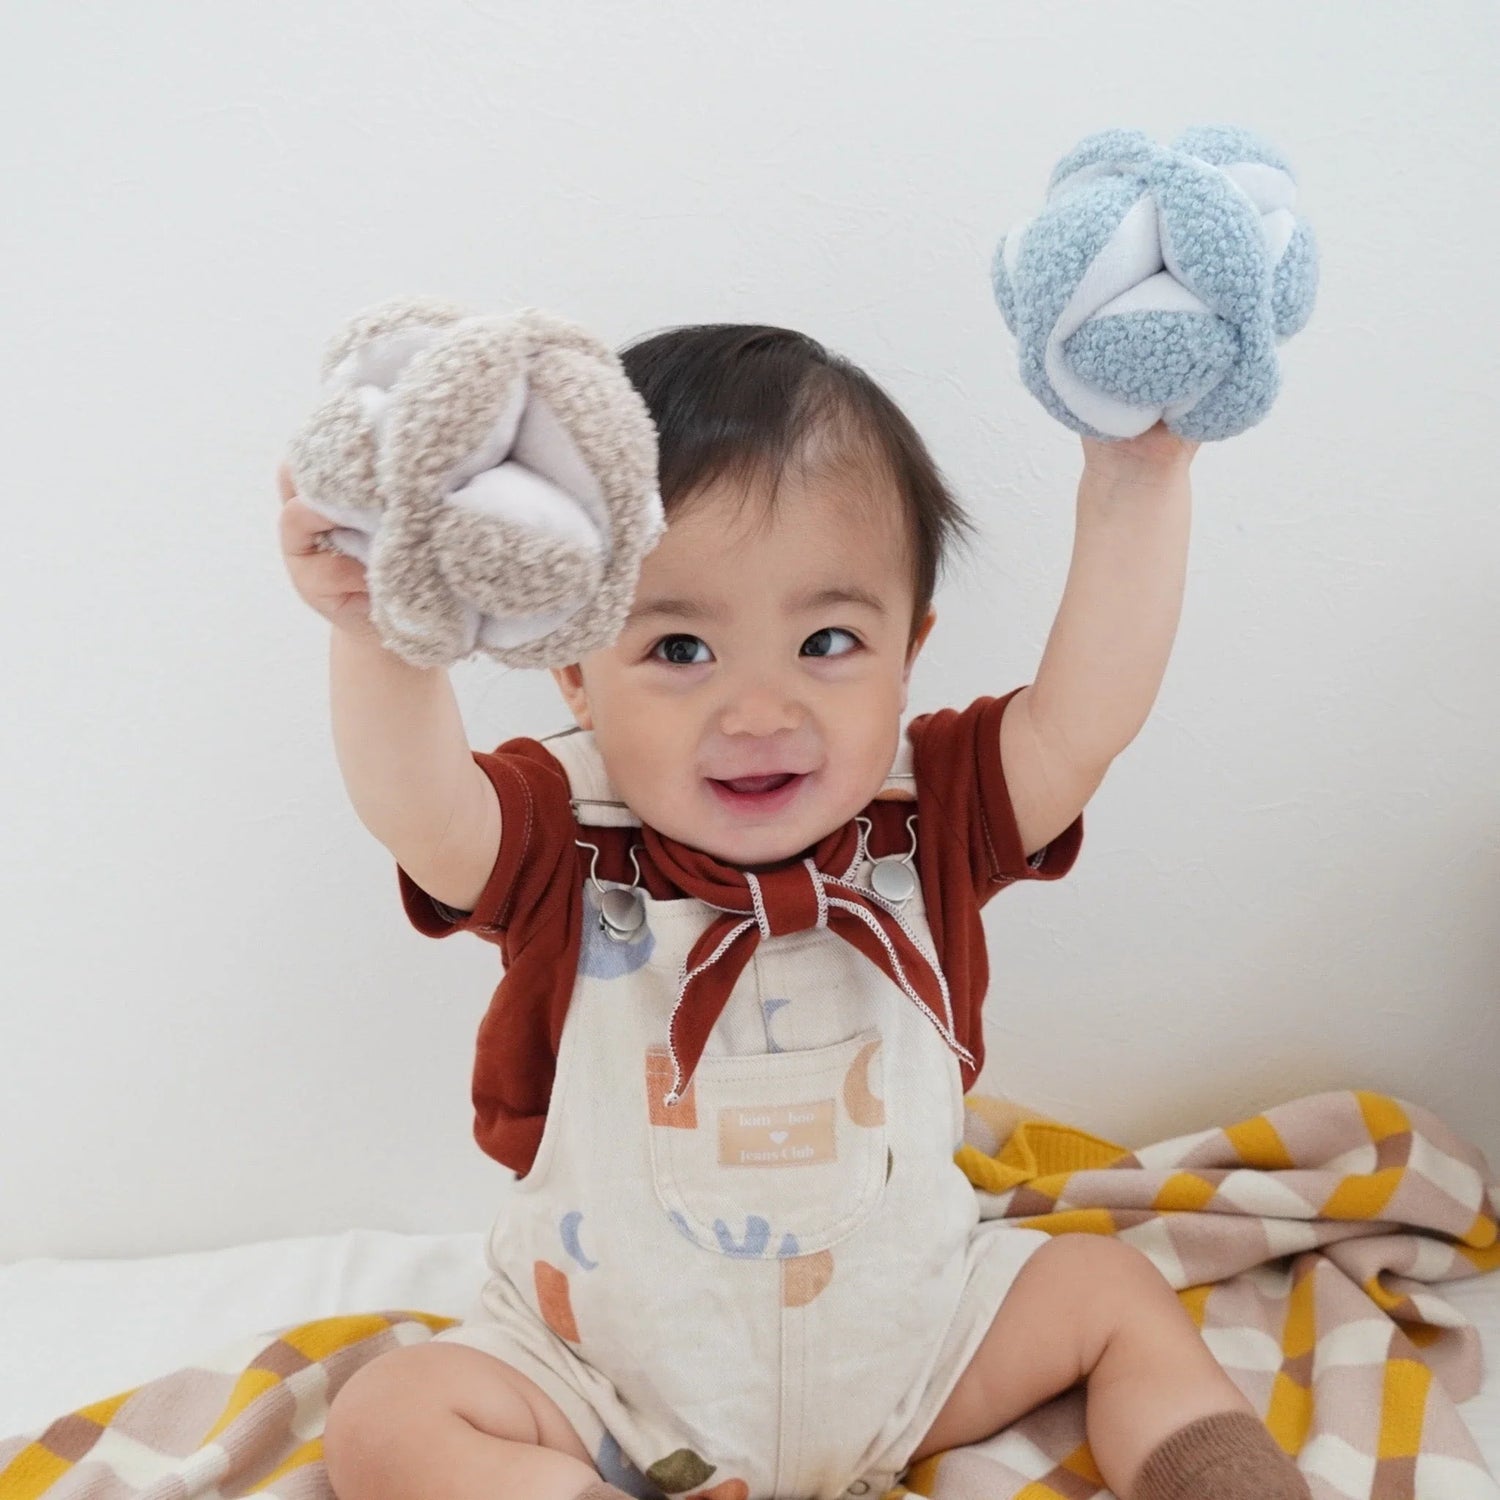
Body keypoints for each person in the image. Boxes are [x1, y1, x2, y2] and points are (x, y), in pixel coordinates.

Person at [278, 323, 1310, 1500]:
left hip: (912, 1358)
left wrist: (1139, 473)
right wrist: (381, 627)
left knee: (1112, 1293)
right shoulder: (568, 837)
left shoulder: (931, 816)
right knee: (391, 1419)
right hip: (605, 1386)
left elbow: (1090, 712)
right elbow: (417, 808)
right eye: (678, 647)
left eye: (827, 642)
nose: (760, 710)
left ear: (908, 652)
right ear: (574, 669)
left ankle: (1227, 1481)